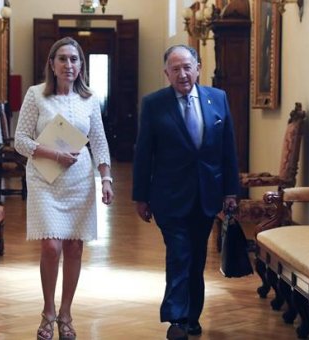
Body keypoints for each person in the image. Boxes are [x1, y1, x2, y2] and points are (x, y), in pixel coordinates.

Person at [132, 45, 239, 340]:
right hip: (169, 196)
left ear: (198, 67)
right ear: (166, 73)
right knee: (179, 253)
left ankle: (192, 316)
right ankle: (176, 319)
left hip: (207, 194)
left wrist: (231, 190)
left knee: (197, 256)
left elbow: (227, 149)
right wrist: (141, 196)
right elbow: (144, 153)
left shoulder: (218, 99)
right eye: (175, 69)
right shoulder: (154, 104)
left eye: (187, 67)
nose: (182, 74)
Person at [14, 37, 114, 340]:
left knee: (74, 246)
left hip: (79, 180)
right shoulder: (36, 96)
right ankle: (48, 310)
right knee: (51, 245)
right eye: (63, 59)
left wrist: (106, 178)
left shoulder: (89, 99)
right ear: (52, 64)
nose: (68, 65)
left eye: (74, 59)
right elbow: (20, 140)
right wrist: (53, 154)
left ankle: (66, 313)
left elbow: (98, 141)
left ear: (81, 65)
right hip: (45, 178)